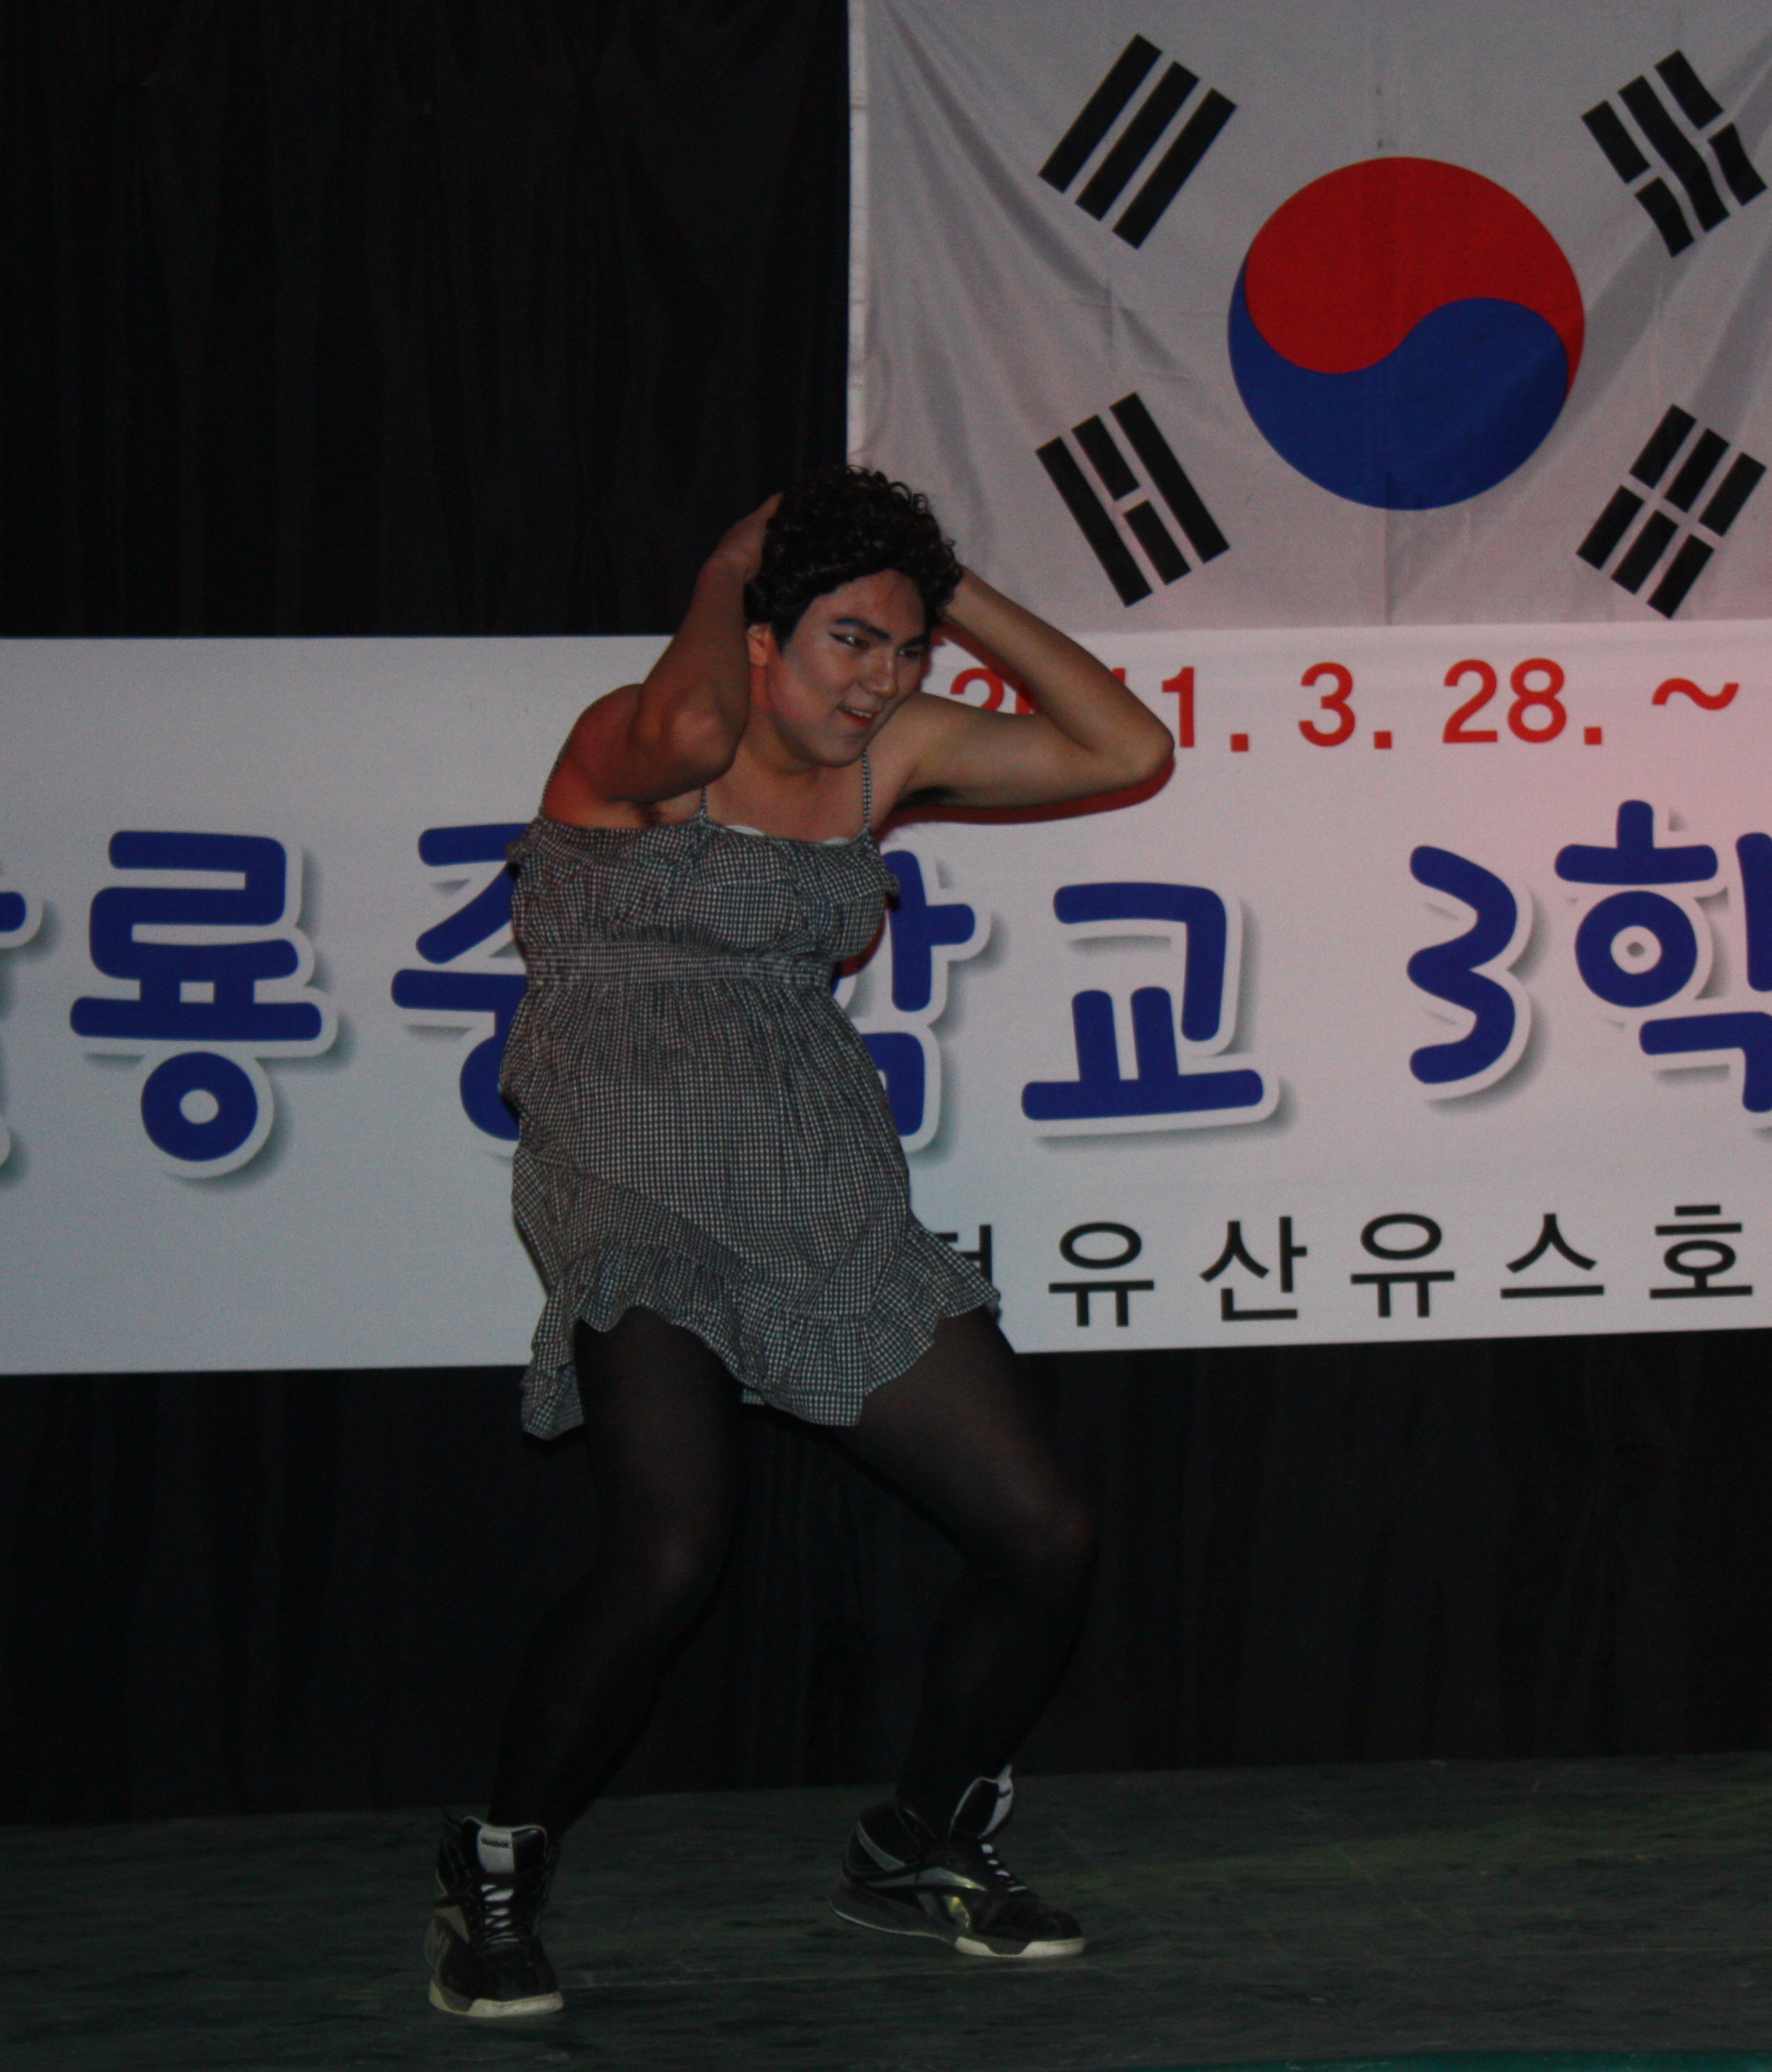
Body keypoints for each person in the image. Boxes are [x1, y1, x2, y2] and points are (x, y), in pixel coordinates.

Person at [426, 469, 1172, 2016]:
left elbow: (1128, 748)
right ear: (758, 635)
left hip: (818, 1180)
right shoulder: (637, 740)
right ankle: (495, 1869)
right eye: (847, 639)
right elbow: (702, 723)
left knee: (1044, 1533)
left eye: (904, 648)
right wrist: (724, 566)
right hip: (629, 1175)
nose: (880, 680)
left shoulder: (891, 748)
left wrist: (943, 585)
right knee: (669, 1552)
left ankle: (916, 1842)